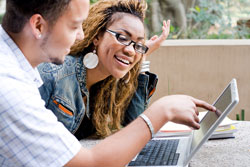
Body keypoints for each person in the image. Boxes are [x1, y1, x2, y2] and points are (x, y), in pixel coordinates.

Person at [0, 0, 216, 166]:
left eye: (138, 44)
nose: (80, 36)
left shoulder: (105, 84)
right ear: (38, 25)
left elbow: (131, 125)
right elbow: (89, 164)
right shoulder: (13, 89)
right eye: (75, 26)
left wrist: (137, 57)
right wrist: (162, 110)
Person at [38, 0, 170, 139]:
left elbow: (134, 128)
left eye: (138, 45)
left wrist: (141, 59)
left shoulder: (107, 85)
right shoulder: (54, 74)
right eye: (123, 38)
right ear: (97, 37)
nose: (130, 51)